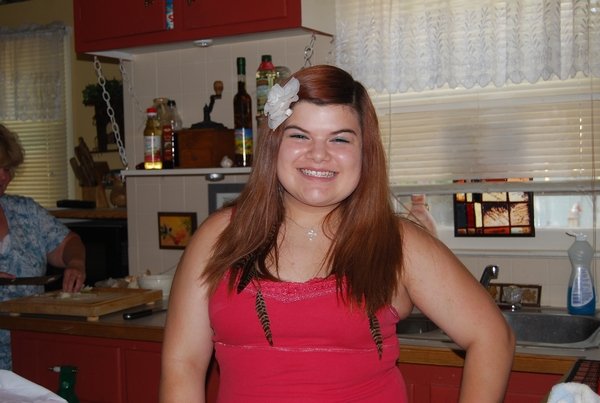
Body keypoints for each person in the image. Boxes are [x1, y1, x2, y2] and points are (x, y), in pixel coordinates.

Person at [160, 65, 515, 402]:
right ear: (274, 144)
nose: (318, 155)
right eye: (299, 135)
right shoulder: (218, 236)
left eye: (340, 139)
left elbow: (491, 336)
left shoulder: (399, 243)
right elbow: (183, 363)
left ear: (365, 152)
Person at [0, 123, 86, 369]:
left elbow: (68, 242)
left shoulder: (25, 212)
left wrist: (76, 263)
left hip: (31, 351)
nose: (5, 177)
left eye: (8, 169)